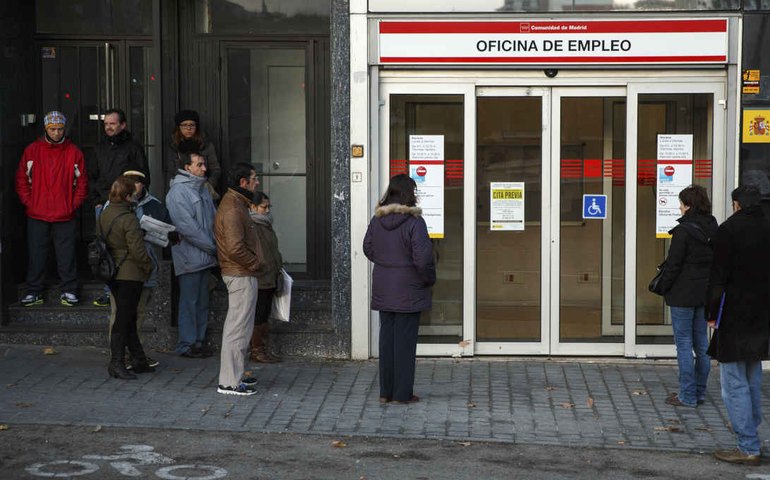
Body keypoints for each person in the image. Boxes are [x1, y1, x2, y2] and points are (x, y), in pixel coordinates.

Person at [707, 185, 770, 466]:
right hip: (761, 316)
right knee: (752, 377)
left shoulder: (729, 230)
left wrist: (711, 313)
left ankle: (747, 445)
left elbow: (718, 277)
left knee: (733, 383)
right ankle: (751, 435)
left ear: (736, 204)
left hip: (733, 315)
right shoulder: (767, 227)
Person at [363, 174, 435, 405]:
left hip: (384, 287)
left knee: (387, 342)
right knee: (404, 344)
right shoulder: (415, 222)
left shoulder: (377, 220)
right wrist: (428, 279)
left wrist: (387, 263)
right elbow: (423, 258)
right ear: (409, 194)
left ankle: (385, 392)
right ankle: (402, 394)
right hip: (409, 290)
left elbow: (367, 248)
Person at [106, 170, 179, 370]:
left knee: (134, 315)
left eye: (137, 182)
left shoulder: (152, 204)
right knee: (123, 315)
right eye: (130, 183)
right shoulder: (121, 213)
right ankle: (120, 356)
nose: (134, 186)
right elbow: (135, 248)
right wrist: (147, 266)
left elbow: (167, 228)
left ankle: (132, 355)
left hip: (124, 270)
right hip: (129, 270)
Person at [15, 110, 88, 307]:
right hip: (37, 213)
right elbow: (21, 180)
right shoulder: (32, 150)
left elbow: (82, 183)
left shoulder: (74, 152)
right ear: (46, 129)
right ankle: (34, 291)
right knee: (36, 254)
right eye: (53, 129)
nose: (56, 132)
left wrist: (72, 205)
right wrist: (30, 202)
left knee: (67, 255)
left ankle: (69, 290)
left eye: (60, 129)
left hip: (65, 213)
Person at [656, 185, 718, 408]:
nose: (680, 208)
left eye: (682, 204)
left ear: (689, 205)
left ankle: (687, 395)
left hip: (682, 294)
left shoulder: (683, 232)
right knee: (701, 344)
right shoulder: (713, 226)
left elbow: (673, 265)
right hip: (704, 293)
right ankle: (699, 392)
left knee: (683, 344)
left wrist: (663, 287)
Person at [90, 108, 150, 307]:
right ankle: (108, 291)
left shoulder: (133, 148)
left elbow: (143, 176)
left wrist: (134, 198)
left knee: (127, 247)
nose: (108, 127)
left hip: (127, 205)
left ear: (123, 125)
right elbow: (91, 177)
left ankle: (128, 286)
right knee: (104, 249)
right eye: (106, 124)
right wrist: (97, 201)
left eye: (112, 123)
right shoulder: (99, 148)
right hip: (103, 204)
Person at [99, 176, 154, 380]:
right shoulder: (128, 218)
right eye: (134, 193)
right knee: (124, 320)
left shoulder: (105, 213)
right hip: (130, 273)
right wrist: (148, 267)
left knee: (127, 317)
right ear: (128, 195)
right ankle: (117, 363)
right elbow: (138, 251)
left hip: (111, 270)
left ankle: (138, 359)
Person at [214, 163, 261, 396]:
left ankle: (234, 376)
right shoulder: (233, 207)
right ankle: (230, 382)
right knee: (238, 327)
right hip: (240, 273)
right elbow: (234, 247)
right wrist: (254, 263)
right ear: (243, 182)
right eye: (254, 178)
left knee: (240, 326)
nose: (257, 182)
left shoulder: (236, 203)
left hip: (240, 272)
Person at [166, 152, 218, 358]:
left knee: (201, 302)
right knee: (190, 302)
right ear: (187, 167)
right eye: (199, 164)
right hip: (190, 257)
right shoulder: (178, 192)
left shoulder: (202, 188)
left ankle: (197, 342)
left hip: (204, 257)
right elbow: (188, 228)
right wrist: (212, 247)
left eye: (204, 164)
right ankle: (187, 344)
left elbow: (213, 219)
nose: (204, 168)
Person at [248, 191, 283, 363]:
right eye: (264, 207)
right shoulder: (252, 225)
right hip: (260, 275)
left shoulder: (266, 223)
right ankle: (257, 350)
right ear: (253, 207)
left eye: (269, 206)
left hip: (270, 274)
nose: (267, 210)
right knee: (259, 313)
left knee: (265, 312)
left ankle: (262, 348)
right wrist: (259, 266)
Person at [168, 110, 221, 201]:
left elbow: (215, 169)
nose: (189, 128)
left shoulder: (206, 145)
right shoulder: (174, 146)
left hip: (203, 188)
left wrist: (208, 185)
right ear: (179, 127)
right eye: (184, 125)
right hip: (182, 190)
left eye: (192, 125)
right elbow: (172, 171)